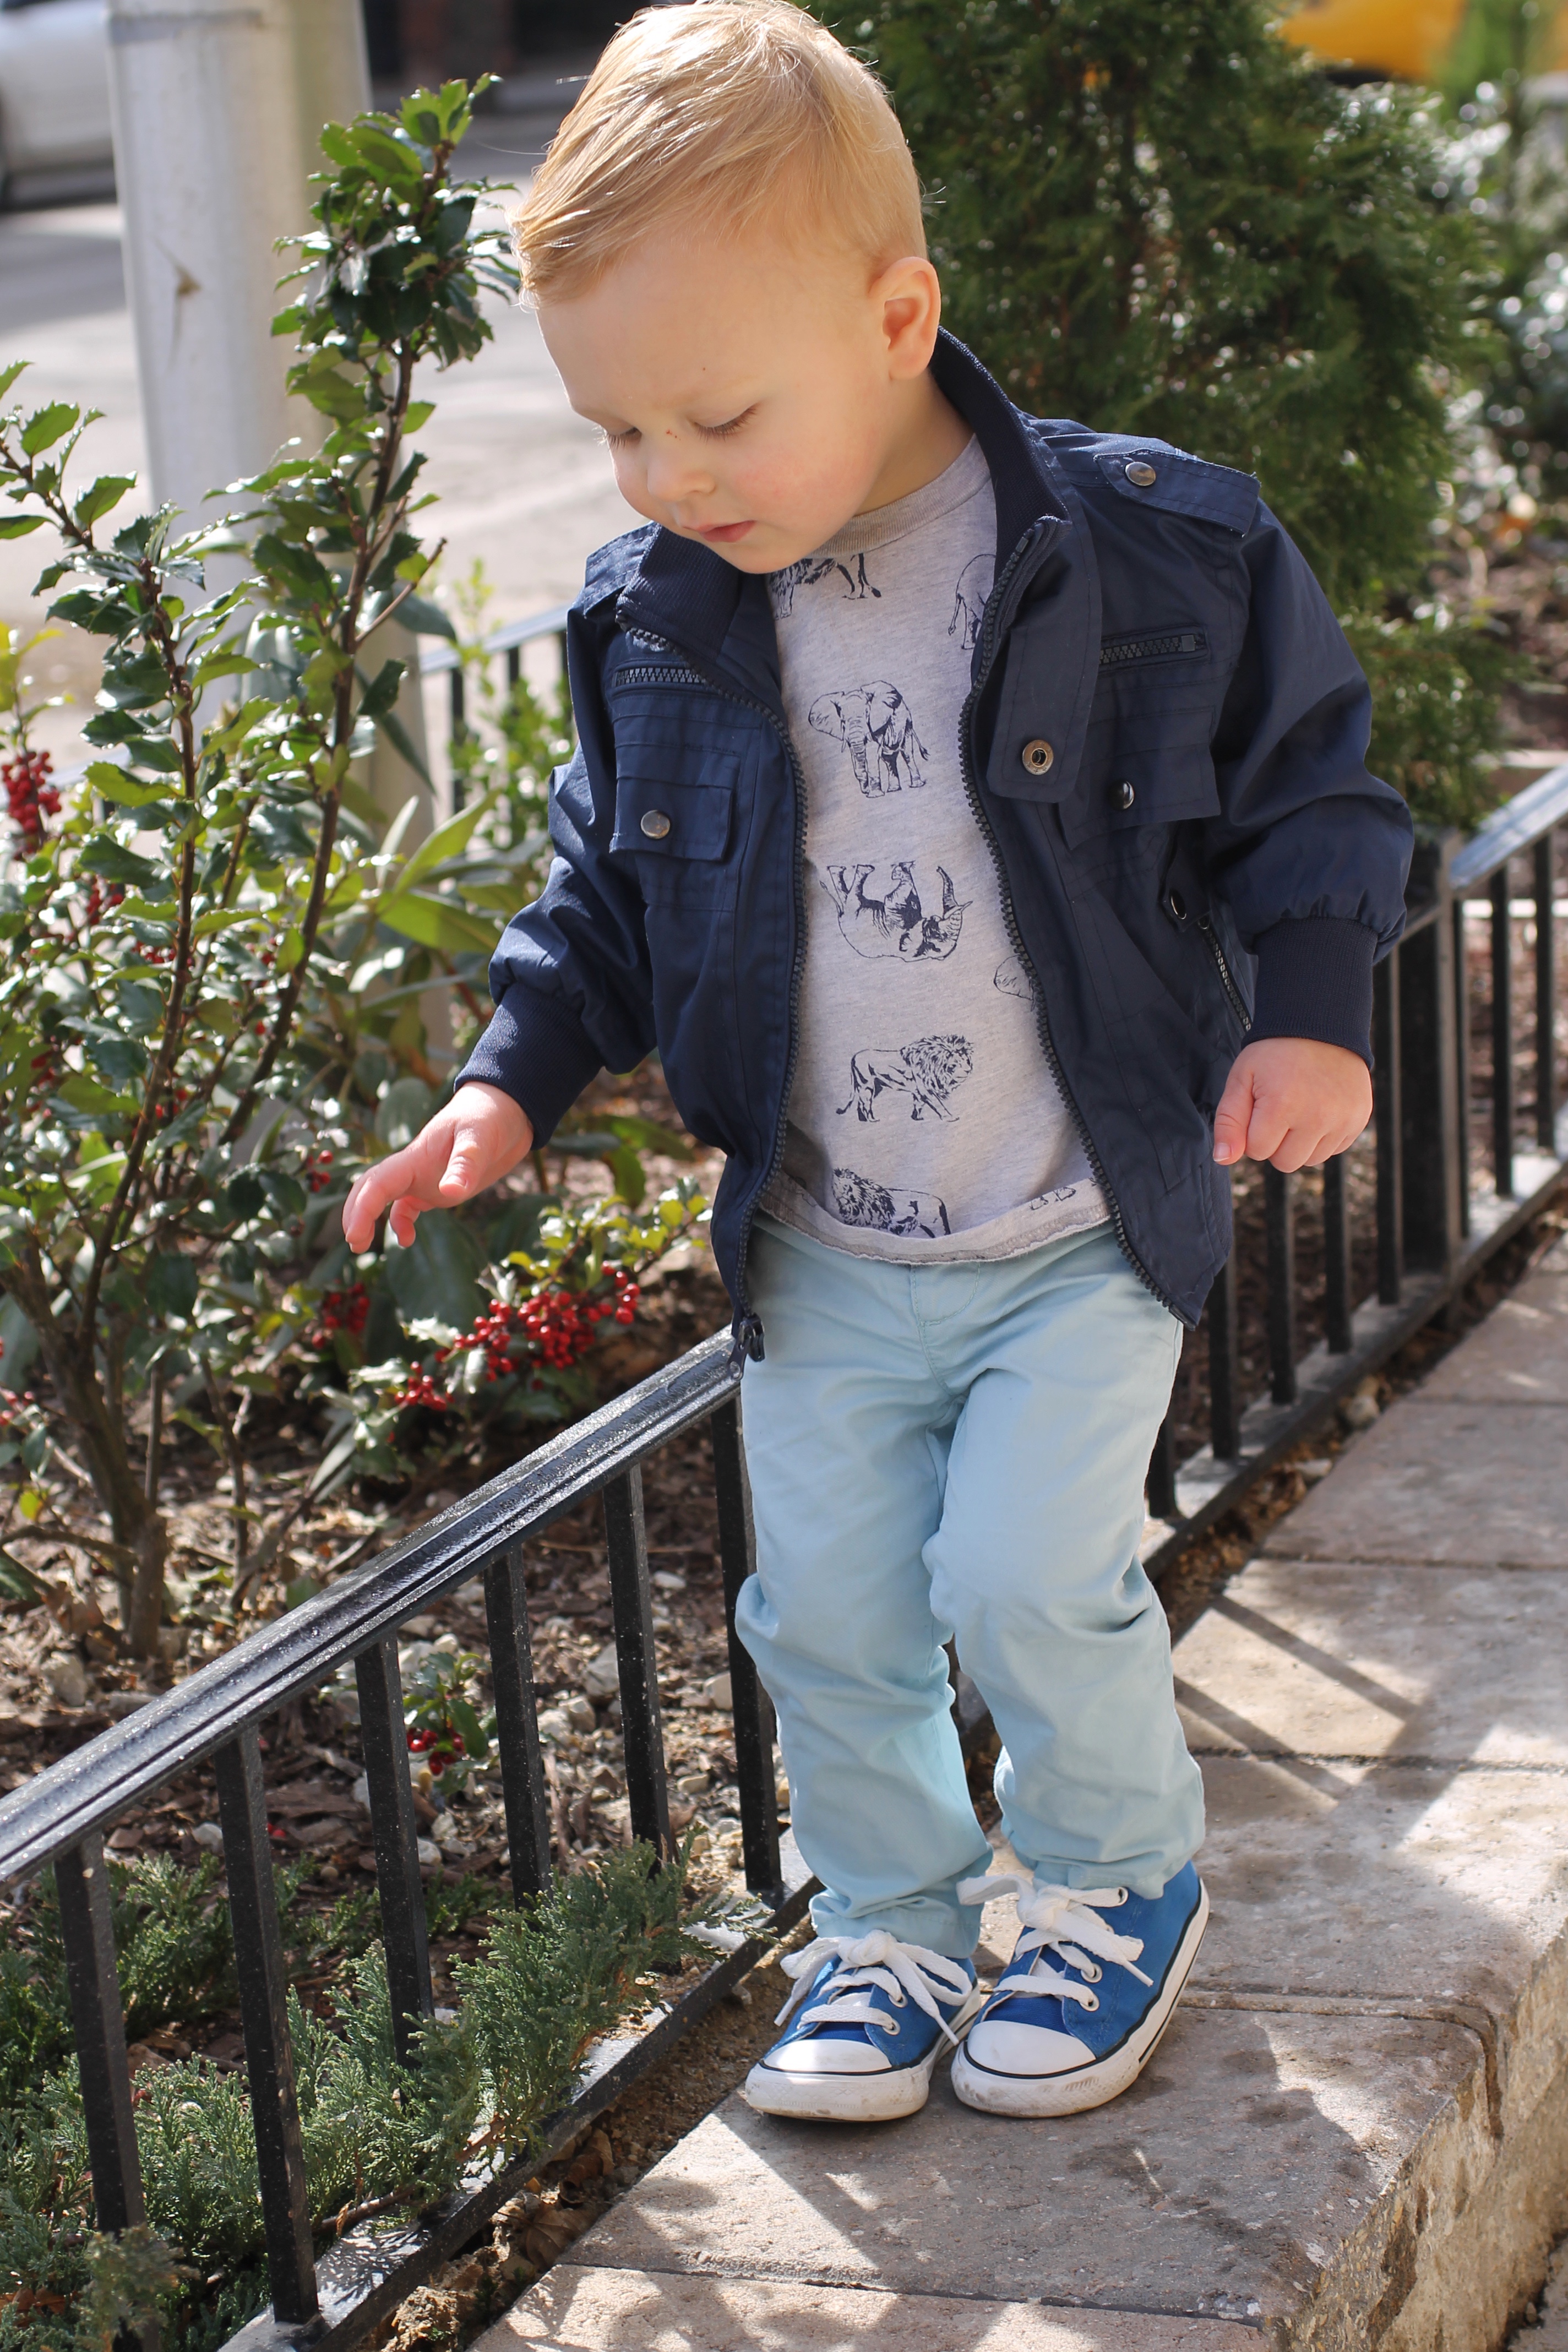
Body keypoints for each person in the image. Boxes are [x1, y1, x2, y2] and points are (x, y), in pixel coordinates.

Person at [342, 0, 1412, 2124]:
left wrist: (1310, 1005)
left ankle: (1112, 1884)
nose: (668, 479)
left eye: (719, 418)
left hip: (1071, 1216)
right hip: (830, 1244)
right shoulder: (663, 614)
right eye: (619, 432)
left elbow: (1317, 788)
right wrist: (507, 1080)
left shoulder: (1151, 550)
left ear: (899, 317)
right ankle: (895, 1925)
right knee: (825, 1612)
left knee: (1020, 1575)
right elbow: (605, 891)